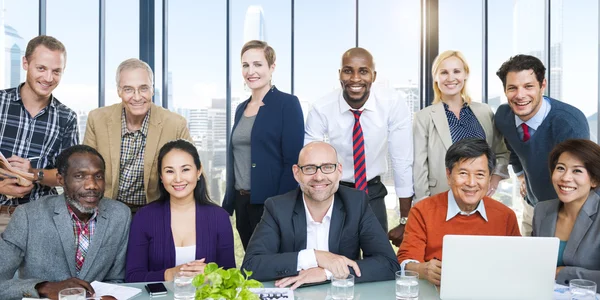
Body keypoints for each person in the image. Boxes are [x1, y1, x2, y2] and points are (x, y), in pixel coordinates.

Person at [242, 142, 400, 289]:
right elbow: (251, 267)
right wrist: (315, 257)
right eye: (310, 168)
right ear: (297, 173)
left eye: (327, 167)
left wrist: (327, 272)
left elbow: (388, 264)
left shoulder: (356, 203)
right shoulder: (277, 208)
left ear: (339, 171)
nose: (318, 176)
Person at [304, 47, 413, 246]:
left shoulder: (392, 102)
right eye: (348, 70)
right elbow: (310, 164)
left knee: (380, 260)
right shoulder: (322, 108)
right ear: (339, 75)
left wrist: (405, 220)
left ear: (373, 75)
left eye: (363, 71)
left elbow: (402, 161)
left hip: (373, 191)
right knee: (339, 265)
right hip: (336, 193)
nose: (355, 78)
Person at [0, 145, 131, 300]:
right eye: (79, 176)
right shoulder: (28, 216)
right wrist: (45, 287)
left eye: (98, 176)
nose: (92, 185)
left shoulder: (120, 215)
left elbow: (116, 280)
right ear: (61, 179)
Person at [397, 138, 520, 287]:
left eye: (480, 175)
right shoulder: (423, 211)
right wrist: (423, 270)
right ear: (448, 175)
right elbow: (406, 262)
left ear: (489, 177)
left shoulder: (505, 216)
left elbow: (517, 264)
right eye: (463, 173)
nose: (471, 183)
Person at [494, 54, 589, 236]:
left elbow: (580, 176)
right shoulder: (504, 116)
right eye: (512, 88)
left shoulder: (568, 123)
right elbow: (512, 147)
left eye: (528, 86)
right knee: (528, 261)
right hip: (531, 206)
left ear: (542, 85)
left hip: (567, 210)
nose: (520, 95)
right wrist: (522, 176)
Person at [222, 40, 304, 250]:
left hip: (270, 206)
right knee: (251, 268)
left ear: (272, 67)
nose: (251, 71)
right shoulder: (241, 109)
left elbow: (292, 162)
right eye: (245, 65)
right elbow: (235, 159)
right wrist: (227, 207)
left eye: (258, 64)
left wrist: (279, 208)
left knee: (270, 267)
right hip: (242, 205)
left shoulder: (287, 104)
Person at [84, 58, 192, 212]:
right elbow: (85, 171)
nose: (137, 97)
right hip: (106, 209)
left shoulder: (175, 124)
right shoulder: (97, 119)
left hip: (156, 210)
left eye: (143, 88)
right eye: (128, 89)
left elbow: (192, 173)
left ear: (152, 89)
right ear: (119, 91)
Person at [126, 139, 235, 282]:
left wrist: (213, 275)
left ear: (198, 171)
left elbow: (232, 276)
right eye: (170, 171)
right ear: (161, 176)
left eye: (185, 170)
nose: (178, 179)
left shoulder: (219, 217)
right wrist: (170, 274)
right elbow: (132, 277)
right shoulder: (144, 217)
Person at [0, 35, 79, 232]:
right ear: (26, 63)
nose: (48, 78)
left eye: (56, 71)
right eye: (41, 68)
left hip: (39, 222)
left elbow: (68, 176)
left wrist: (34, 174)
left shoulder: (66, 117)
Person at [413, 50, 509, 201]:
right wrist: (423, 204)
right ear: (436, 77)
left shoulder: (484, 112)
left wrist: (494, 180)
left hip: (479, 198)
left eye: (456, 71)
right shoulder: (423, 117)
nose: (451, 78)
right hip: (440, 197)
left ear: (466, 74)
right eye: (444, 72)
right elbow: (419, 167)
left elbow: (501, 153)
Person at [532, 139, 600, 286]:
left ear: (594, 180)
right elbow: (534, 264)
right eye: (561, 168)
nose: (565, 178)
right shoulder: (541, 211)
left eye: (577, 171)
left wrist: (562, 273)